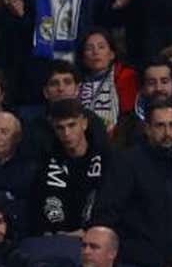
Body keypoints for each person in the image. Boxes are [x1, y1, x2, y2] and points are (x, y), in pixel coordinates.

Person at [95, 100, 172, 267]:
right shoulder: (127, 163)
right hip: (135, 265)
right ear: (147, 128)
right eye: (160, 126)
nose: (167, 132)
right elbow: (108, 212)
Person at [30, 100, 112, 237]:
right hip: (57, 238)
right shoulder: (46, 162)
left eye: (72, 125)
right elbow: (42, 201)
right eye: (60, 128)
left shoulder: (107, 158)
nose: (66, 133)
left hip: (97, 236)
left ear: (84, 124)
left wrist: (87, 230)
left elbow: (111, 203)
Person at [76, 29, 139, 130]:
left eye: (101, 47)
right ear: (83, 57)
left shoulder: (125, 76)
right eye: (89, 48)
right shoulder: (76, 83)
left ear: (111, 54)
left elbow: (129, 116)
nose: (95, 52)